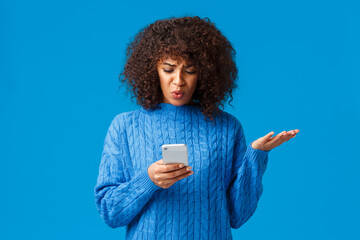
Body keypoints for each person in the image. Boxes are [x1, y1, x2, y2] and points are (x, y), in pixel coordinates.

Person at [94, 16, 299, 240]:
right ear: (153, 70)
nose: (178, 81)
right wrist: (149, 180)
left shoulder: (227, 127)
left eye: (189, 70)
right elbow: (110, 212)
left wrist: (256, 156)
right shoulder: (125, 126)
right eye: (169, 69)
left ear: (204, 73)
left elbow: (237, 216)